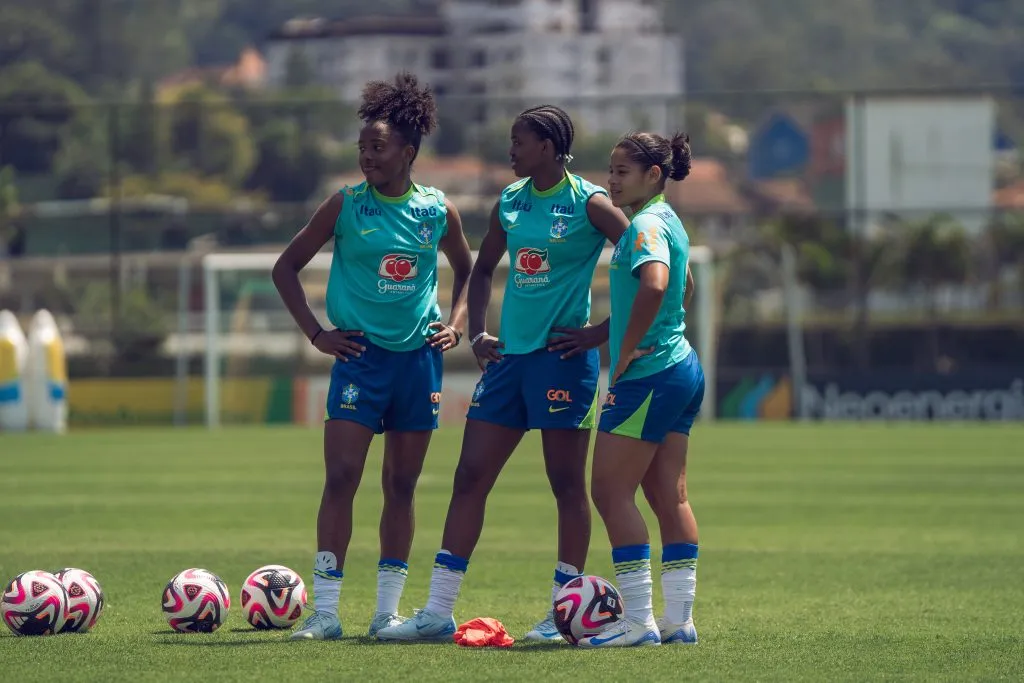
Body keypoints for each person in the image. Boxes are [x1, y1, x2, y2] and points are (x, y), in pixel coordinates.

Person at [376, 105, 629, 643]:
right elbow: (483, 268)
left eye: (519, 141)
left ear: (547, 146)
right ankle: (438, 611)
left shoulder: (590, 202)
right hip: (508, 363)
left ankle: (563, 615)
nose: (510, 150)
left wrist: (601, 332)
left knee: (565, 485)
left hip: (565, 361)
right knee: (469, 477)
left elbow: (641, 259)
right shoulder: (511, 202)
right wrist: (478, 332)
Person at [271, 72, 473, 641]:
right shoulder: (344, 206)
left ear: (408, 152)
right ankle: (327, 612)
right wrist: (317, 334)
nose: (367, 157)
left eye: (377, 147)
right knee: (340, 478)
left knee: (401, 486)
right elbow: (284, 267)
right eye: (362, 147)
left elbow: (470, 271)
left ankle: (387, 612)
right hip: (359, 359)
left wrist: (455, 327)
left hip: (417, 364)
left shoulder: (438, 211)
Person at [575, 131, 704, 648]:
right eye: (611, 170)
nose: (611, 179)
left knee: (609, 490)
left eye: (622, 171)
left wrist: (626, 347)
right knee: (667, 495)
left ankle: (639, 623)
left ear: (654, 174)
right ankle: (679, 622)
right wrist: (661, 328)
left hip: (650, 375)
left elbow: (654, 283)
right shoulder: (669, 220)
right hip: (681, 367)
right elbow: (684, 285)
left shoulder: (646, 224)